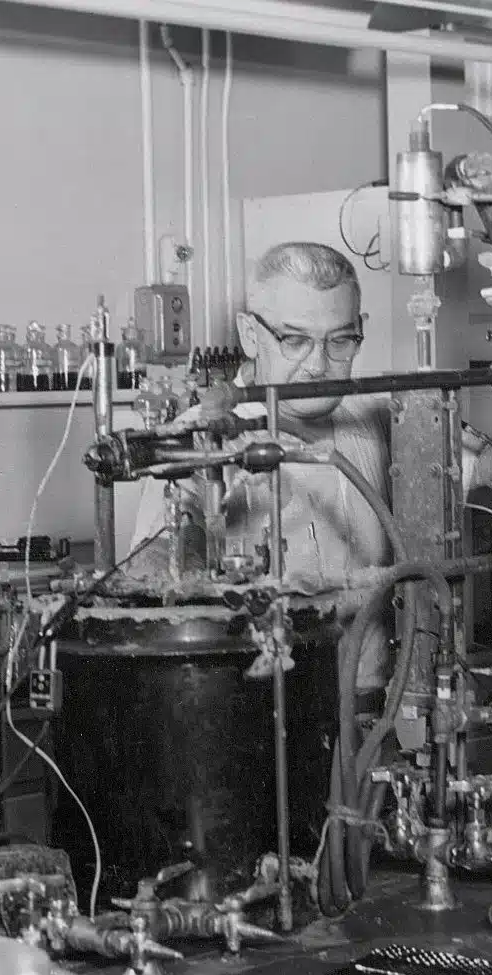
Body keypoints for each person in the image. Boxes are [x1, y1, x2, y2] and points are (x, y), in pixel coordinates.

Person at [128, 241, 394, 703]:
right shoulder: (206, 437)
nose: (316, 365)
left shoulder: (378, 416)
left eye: (340, 340)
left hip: (372, 702)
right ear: (250, 335)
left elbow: (483, 472)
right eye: (294, 339)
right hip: (255, 706)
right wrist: (193, 550)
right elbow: (151, 571)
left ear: (360, 330)